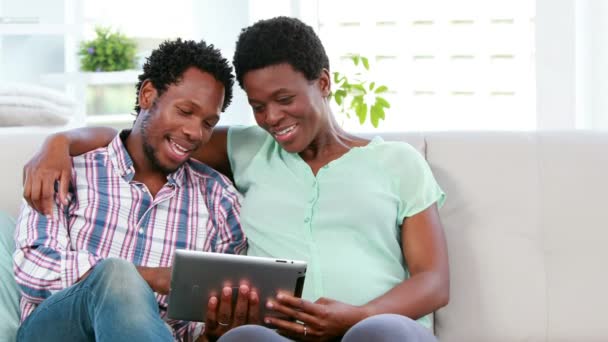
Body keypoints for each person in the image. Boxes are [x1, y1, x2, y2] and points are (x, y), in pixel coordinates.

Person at [23, 17, 449, 341]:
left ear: (323, 83)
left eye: (284, 99)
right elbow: (142, 133)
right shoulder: (250, 150)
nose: (272, 118)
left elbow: (433, 279)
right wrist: (58, 142)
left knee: (383, 333)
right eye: (259, 106)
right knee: (236, 333)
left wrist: (359, 315)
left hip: (371, 328)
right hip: (270, 334)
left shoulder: (397, 161)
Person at [14, 39, 257, 342]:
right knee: (117, 275)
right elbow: (32, 268)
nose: (195, 132)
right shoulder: (69, 170)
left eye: (208, 123)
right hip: (57, 330)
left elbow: (193, 329)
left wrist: (210, 333)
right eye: (184, 111)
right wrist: (148, 277)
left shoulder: (220, 201)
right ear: (148, 95)